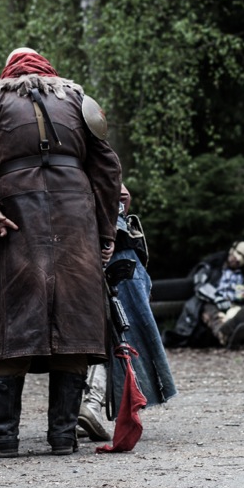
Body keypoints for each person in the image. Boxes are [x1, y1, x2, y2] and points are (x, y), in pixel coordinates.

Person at [0, 47, 121, 457]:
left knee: (15, 319)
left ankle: (5, 437)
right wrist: (105, 230)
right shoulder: (79, 101)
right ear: (50, 71)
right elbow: (108, 170)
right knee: (74, 319)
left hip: (16, 216)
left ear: (7, 73)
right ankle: (62, 437)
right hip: (76, 216)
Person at [77, 185, 178, 442]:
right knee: (115, 331)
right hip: (110, 248)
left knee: (100, 329)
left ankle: (81, 409)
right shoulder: (91, 161)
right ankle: (91, 404)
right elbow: (119, 194)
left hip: (89, 244)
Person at [163, 240, 244, 349]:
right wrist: (217, 298)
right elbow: (200, 286)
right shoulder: (211, 266)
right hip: (211, 304)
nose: (239, 259)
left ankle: (227, 332)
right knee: (210, 310)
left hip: (233, 306)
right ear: (232, 249)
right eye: (239, 253)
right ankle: (225, 333)